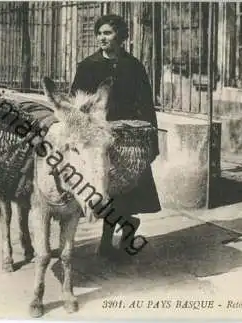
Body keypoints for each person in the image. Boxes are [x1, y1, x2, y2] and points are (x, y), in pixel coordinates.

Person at [69, 14, 161, 260]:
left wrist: (151, 138)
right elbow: (76, 102)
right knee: (99, 190)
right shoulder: (88, 66)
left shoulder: (133, 66)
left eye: (108, 33)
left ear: (120, 36)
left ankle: (109, 242)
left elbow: (145, 103)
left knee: (125, 194)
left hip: (127, 139)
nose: (102, 37)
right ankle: (125, 227)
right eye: (99, 33)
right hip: (98, 137)